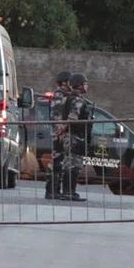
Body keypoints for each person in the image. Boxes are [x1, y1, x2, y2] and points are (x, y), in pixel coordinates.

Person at [58, 73, 92, 202]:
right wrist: (64, 128)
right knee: (74, 166)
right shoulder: (77, 100)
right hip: (75, 136)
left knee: (68, 164)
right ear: (79, 84)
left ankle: (68, 191)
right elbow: (73, 117)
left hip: (70, 136)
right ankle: (69, 192)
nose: (87, 86)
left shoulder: (68, 98)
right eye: (85, 83)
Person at [45, 70, 73, 200]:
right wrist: (59, 132)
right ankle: (51, 191)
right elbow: (56, 115)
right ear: (63, 83)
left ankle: (56, 190)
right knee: (56, 162)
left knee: (60, 162)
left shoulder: (65, 95)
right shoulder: (59, 96)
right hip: (58, 134)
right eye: (69, 82)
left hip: (61, 133)